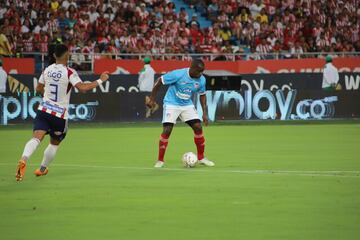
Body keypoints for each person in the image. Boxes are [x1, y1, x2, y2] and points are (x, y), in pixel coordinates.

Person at [15, 44, 109, 181]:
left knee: (36, 138)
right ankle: (42, 168)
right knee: (54, 143)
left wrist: (47, 99)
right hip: (59, 115)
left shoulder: (46, 70)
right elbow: (83, 88)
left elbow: (38, 88)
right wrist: (101, 79)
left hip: (44, 110)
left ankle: (23, 159)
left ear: (54, 56)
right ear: (68, 55)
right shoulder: (69, 72)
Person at [147, 59, 215, 168]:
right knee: (167, 130)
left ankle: (201, 157)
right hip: (171, 103)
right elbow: (159, 81)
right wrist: (152, 99)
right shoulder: (178, 74)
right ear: (192, 68)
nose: (200, 74)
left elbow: (202, 95)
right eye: (198, 71)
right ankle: (160, 160)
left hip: (186, 104)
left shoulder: (201, 80)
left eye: (202, 71)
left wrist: (204, 113)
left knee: (198, 127)